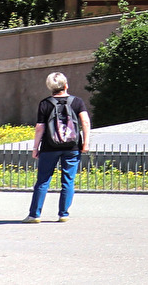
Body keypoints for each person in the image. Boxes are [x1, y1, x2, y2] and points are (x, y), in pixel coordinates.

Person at [25, 72, 91, 223]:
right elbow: (85, 122)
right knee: (68, 180)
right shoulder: (77, 102)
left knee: (43, 180)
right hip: (72, 146)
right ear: (66, 85)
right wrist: (85, 142)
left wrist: (36, 148)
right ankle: (63, 214)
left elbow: (39, 127)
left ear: (50, 87)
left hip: (49, 147)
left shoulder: (45, 103)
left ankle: (35, 215)